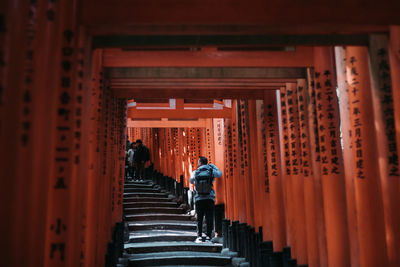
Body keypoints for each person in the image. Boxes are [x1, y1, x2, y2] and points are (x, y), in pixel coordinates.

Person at [189, 156, 222, 243]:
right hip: (209, 198)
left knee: (199, 218)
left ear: (200, 163)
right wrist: (212, 166)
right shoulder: (211, 171)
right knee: (209, 217)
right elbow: (220, 174)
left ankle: (199, 237)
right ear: (207, 163)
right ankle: (208, 237)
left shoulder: (196, 172)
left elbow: (191, 181)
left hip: (199, 198)